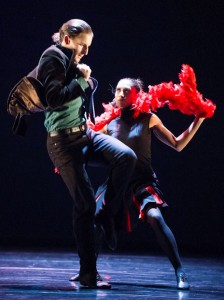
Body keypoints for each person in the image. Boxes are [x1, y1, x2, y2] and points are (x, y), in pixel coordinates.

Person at [71, 72, 215, 289]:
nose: (119, 94)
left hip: (142, 182)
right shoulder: (108, 122)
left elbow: (177, 144)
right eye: (117, 90)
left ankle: (179, 270)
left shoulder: (149, 118)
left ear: (137, 94)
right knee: (96, 221)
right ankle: (89, 270)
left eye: (125, 91)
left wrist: (199, 119)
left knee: (155, 217)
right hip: (116, 182)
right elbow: (88, 142)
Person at [37, 19, 137, 289]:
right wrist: (82, 80)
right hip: (63, 144)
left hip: (85, 134)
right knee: (84, 204)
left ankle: (106, 217)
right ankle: (87, 273)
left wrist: (82, 79)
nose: (85, 51)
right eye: (82, 46)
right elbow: (54, 97)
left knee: (126, 157)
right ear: (67, 39)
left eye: (88, 46)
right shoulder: (52, 57)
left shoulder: (69, 58)